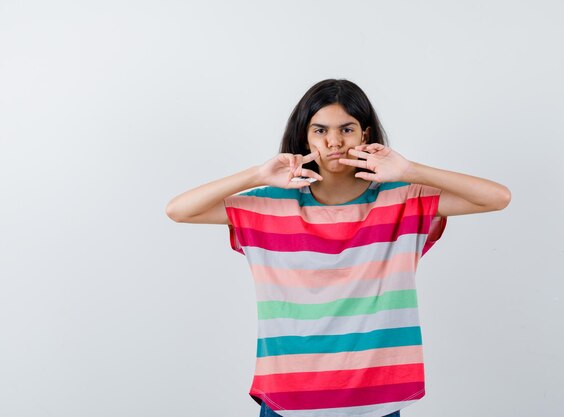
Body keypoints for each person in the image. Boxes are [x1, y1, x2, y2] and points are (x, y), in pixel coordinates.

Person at [166, 79, 511, 417]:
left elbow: (497, 198)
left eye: (346, 129)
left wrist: (409, 169)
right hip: (289, 401)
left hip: (377, 402)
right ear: (304, 135)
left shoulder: (401, 198)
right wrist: (257, 175)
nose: (334, 141)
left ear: (366, 135)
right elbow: (179, 210)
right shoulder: (270, 205)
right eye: (320, 130)